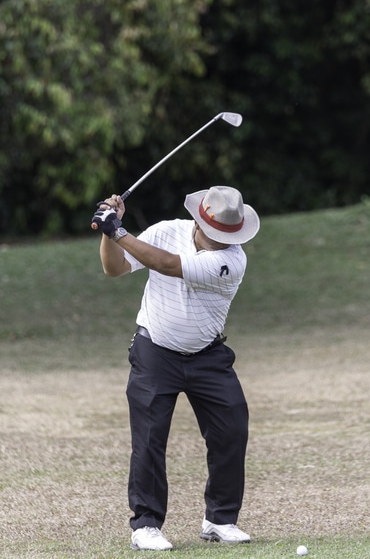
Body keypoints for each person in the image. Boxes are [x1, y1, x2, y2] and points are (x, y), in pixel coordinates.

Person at [92, 185, 260, 552]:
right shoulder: (166, 230)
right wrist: (110, 234)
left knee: (231, 429)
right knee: (150, 439)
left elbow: (167, 264)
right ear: (199, 222)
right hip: (155, 352)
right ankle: (146, 525)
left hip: (207, 354)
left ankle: (220, 519)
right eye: (216, 233)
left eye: (227, 236)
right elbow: (114, 267)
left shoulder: (232, 260)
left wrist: (118, 231)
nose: (221, 241)